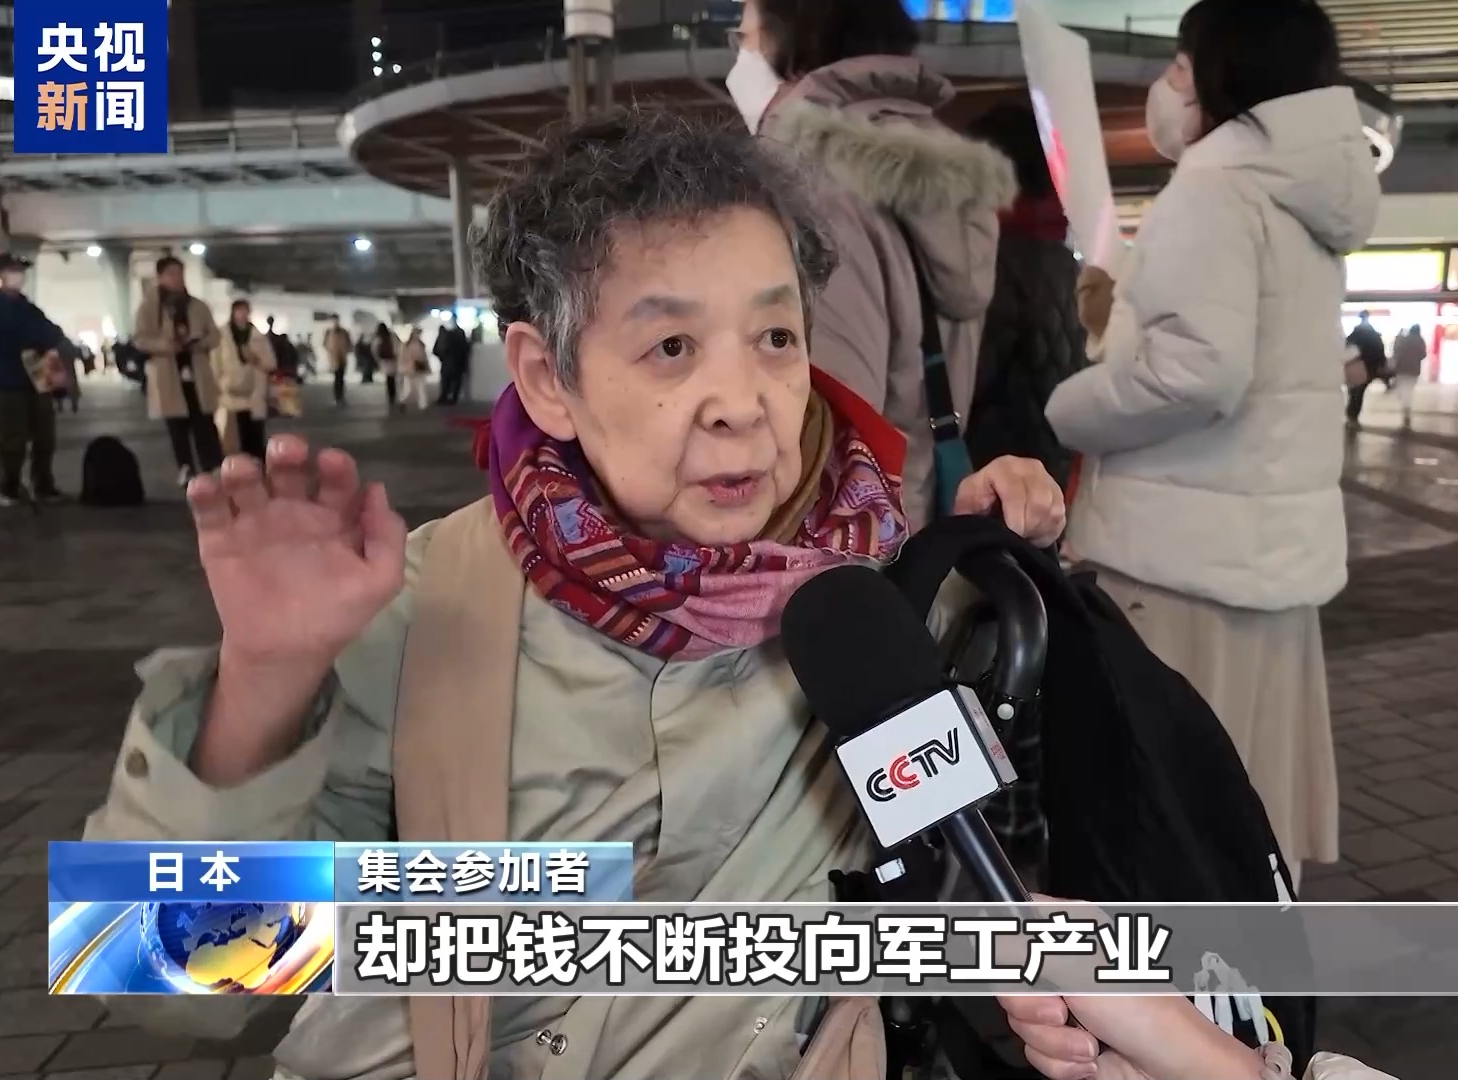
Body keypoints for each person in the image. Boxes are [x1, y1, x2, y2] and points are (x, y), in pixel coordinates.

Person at [81, 108, 1065, 1078]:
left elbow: (969, 879)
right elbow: (169, 979)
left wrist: (987, 556)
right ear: (548, 378)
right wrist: (264, 678)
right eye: (672, 347)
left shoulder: (871, 601)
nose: (742, 403)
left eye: (775, 336)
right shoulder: (426, 610)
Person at [1047, 0, 1377, 883]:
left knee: (1174, 807)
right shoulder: (1303, 194)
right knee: (1249, 805)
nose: (1167, 86)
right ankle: (1253, 966)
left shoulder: (1215, 184)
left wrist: (1070, 408)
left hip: (1180, 563)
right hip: (1269, 563)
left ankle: (1183, 970)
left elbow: (1197, 373)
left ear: (1225, 72)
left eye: (1181, 66)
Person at [728, 0, 1017, 529]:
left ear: (788, 43)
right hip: (918, 513)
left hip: (842, 538)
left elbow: (829, 418)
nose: (738, 58)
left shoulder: (807, 178)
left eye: (744, 39)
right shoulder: (937, 164)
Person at [965, 100, 1088, 493]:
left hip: (998, 475)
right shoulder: (1065, 263)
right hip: (1052, 472)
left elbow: (968, 383)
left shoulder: (996, 265)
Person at [0, 253, 69, 504]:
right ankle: (9, 487)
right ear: (0, 274)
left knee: (45, 436)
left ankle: (43, 485)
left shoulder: (29, 308)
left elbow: (53, 333)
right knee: (10, 440)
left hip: (37, 378)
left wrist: (27, 337)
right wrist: (30, 339)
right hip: (4, 380)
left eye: (21, 270)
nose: (19, 275)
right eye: (13, 270)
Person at [133, 255, 224, 487]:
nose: (177, 278)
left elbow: (214, 335)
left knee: (204, 421)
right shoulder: (149, 307)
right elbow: (140, 339)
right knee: (177, 425)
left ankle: (213, 465)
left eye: (180, 273)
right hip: (169, 374)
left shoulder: (198, 306)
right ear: (160, 277)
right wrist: (165, 345)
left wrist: (199, 342)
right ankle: (185, 467)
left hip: (197, 371)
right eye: (171, 273)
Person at [212, 299, 278, 460]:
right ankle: (238, 466)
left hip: (255, 392)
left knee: (255, 435)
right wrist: (219, 384)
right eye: (239, 311)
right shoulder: (222, 335)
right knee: (234, 437)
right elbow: (215, 364)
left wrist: (255, 359)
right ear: (233, 313)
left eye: (245, 311)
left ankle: (257, 465)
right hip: (231, 393)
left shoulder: (257, 336)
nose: (242, 314)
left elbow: (271, 363)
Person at [1344, 311, 1387, 429]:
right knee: (1359, 392)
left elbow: (1346, 350)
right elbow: (1380, 352)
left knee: (1353, 392)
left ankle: (1351, 414)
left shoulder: (1354, 335)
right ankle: (1353, 415)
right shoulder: (1374, 336)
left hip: (1354, 367)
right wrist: (1381, 365)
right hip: (1369, 368)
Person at [1391, 324, 1427, 430]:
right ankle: (1406, 408)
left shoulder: (1404, 340)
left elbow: (1398, 353)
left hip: (1402, 369)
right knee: (1409, 390)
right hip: (1414, 370)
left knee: (1402, 390)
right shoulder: (1420, 340)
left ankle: (1405, 408)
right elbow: (1423, 354)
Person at [433, 319, 471, 404]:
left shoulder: (445, 335)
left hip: (447, 363)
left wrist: (442, 358)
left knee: (446, 381)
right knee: (456, 381)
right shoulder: (460, 336)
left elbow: (437, 350)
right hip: (458, 363)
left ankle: (444, 397)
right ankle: (453, 398)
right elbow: (466, 349)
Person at [399, 325, 431, 410]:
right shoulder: (407, 345)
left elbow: (424, 357)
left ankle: (423, 404)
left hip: (419, 368)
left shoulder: (421, 344)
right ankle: (403, 400)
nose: (418, 335)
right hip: (410, 369)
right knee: (408, 389)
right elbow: (403, 358)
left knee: (421, 387)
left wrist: (427, 367)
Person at [322, 317, 353, 406]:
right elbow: (325, 344)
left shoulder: (343, 332)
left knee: (341, 378)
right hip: (334, 359)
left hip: (342, 358)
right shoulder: (329, 332)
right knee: (337, 378)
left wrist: (345, 350)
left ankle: (340, 397)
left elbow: (349, 344)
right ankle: (337, 397)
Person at [372, 322, 400, 411]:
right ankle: (393, 395)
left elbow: (374, 350)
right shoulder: (392, 336)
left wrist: (378, 360)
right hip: (392, 360)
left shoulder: (378, 337)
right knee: (392, 378)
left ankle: (391, 396)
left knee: (388, 378)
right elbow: (397, 346)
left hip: (384, 361)